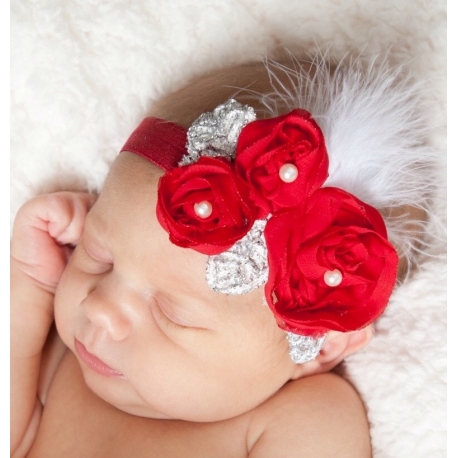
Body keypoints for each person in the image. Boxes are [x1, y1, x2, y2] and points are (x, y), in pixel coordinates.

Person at [10, 55, 434, 457]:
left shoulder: (304, 417)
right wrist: (29, 289)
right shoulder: (75, 363)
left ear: (320, 348)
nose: (98, 306)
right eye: (98, 256)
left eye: (171, 314)